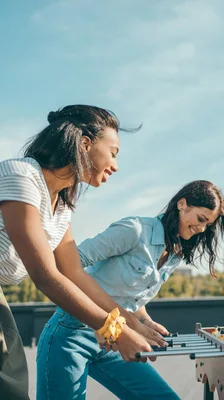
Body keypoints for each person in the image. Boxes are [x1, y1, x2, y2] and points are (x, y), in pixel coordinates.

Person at [0, 105, 162, 400]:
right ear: (85, 143)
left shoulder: (61, 208)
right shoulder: (21, 176)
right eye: (113, 152)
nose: (115, 165)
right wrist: (115, 331)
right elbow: (46, 275)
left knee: (9, 380)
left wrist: (128, 320)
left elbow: (74, 274)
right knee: (8, 382)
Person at [36, 179, 224, 399]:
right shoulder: (134, 230)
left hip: (115, 340)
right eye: (201, 219)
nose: (202, 229)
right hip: (72, 334)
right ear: (182, 204)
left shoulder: (175, 253)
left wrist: (145, 322)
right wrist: (130, 324)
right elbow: (69, 266)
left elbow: (132, 298)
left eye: (207, 225)